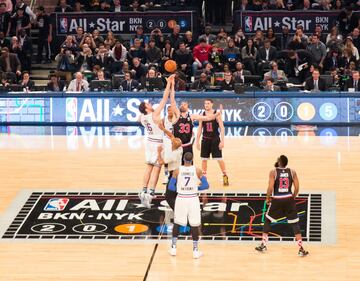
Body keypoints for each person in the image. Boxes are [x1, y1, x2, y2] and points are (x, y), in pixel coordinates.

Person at [255, 155, 309, 257]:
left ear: (279, 162)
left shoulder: (273, 172)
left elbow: (270, 187)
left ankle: (263, 244)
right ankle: (301, 248)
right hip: (289, 199)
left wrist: (267, 198)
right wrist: (293, 196)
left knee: (267, 220)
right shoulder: (292, 172)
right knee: (294, 224)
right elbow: (297, 187)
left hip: (277, 199)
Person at [138, 74, 175, 208]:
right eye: (148, 104)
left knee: (148, 167)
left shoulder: (142, 117)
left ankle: (143, 190)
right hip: (158, 143)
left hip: (148, 142)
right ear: (146, 108)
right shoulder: (153, 114)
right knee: (156, 169)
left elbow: (139, 117)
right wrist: (169, 84)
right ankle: (151, 193)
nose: (150, 104)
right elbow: (165, 99)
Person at [168, 152, 209, 259]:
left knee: (177, 223)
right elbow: (206, 185)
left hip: (181, 198)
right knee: (194, 224)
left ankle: (173, 248)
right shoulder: (197, 170)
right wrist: (196, 188)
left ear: (183, 159)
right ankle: (195, 251)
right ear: (192, 160)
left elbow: (171, 187)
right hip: (193, 198)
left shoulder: (177, 171)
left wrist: (180, 189)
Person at [196, 99, 229, 186]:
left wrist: (222, 141)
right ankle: (204, 179)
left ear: (212, 104)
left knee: (219, 159)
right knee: (204, 160)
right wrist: (197, 141)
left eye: (208, 103)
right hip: (205, 140)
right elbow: (199, 129)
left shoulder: (216, 114)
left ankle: (225, 176)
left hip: (215, 140)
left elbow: (222, 128)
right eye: (205, 103)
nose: (206, 105)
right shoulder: (201, 115)